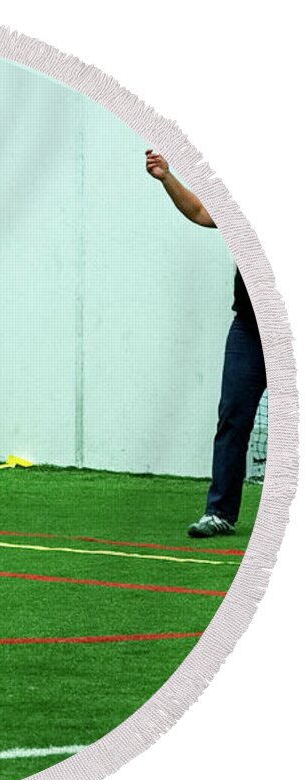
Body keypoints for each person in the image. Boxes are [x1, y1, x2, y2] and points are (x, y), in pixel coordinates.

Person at [145, 149, 266, 538]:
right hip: (248, 328)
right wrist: (167, 177)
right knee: (233, 416)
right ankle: (220, 513)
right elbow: (200, 211)